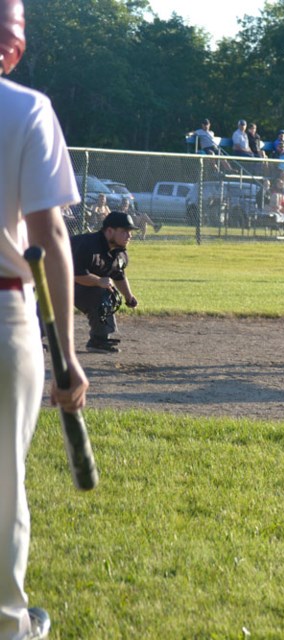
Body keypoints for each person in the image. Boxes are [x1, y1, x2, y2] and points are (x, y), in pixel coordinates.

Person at [2, 4, 90, 636]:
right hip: (6, 309)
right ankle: (9, 624)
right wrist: (67, 351)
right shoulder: (25, 107)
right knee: (5, 483)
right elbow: (51, 233)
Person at [70, 211, 139, 353]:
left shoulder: (119, 253)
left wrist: (129, 297)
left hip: (77, 283)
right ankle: (34, 337)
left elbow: (118, 275)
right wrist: (98, 280)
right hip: (50, 273)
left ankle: (98, 340)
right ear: (109, 231)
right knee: (50, 303)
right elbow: (74, 274)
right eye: (125, 231)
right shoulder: (89, 246)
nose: (129, 236)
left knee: (108, 294)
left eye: (130, 231)